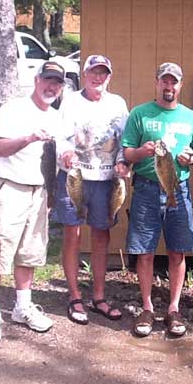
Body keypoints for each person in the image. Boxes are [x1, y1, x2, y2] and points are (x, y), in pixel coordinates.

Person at [0, 62, 65, 344]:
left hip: (40, 192)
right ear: (37, 80)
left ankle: (22, 306)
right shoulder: (13, 110)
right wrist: (28, 138)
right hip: (9, 188)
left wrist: (67, 158)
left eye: (57, 83)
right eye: (48, 81)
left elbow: (61, 154)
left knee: (30, 252)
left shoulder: (56, 117)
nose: (52, 87)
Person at [122, 62, 193, 337]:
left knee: (177, 250)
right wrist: (141, 152)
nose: (169, 87)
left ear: (180, 86)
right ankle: (146, 307)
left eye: (174, 82)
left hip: (177, 189)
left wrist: (192, 158)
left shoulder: (191, 118)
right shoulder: (140, 115)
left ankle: (173, 308)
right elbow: (127, 154)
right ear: (157, 83)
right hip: (146, 189)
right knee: (145, 252)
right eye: (164, 82)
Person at [53, 55, 130, 325]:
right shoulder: (71, 100)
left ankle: (98, 297)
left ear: (109, 77)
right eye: (94, 73)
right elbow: (60, 135)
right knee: (72, 234)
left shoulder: (118, 104)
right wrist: (64, 154)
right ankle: (75, 296)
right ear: (84, 74)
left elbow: (125, 140)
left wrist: (123, 162)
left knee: (101, 236)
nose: (99, 78)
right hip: (75, 176)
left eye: (104, 74)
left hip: (106, 180)